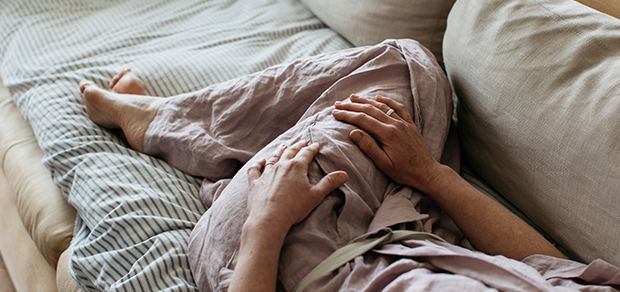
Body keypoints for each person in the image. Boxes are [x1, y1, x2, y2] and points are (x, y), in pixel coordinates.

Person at [79, 67, 569, 292]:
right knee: (417, 104)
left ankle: (163, 119)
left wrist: (265, 224)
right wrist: (430, 175)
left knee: (403, 63)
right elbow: (550, 267)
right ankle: (204, 146)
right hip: (398, 230)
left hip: (280, 252)